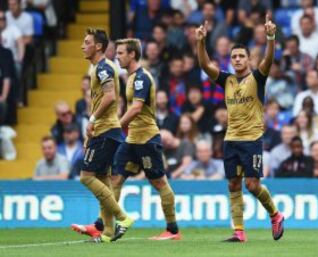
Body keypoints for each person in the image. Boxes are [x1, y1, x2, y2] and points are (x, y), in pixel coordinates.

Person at [196, 15, 284, 242]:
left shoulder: (257, 78)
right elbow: (205, 65)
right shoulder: (227, 81)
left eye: (241, 56)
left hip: (252, 139)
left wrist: (271, 37)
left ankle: (275, 215)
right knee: (233, 184)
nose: (236, 59)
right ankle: (239, 231)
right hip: (231, 139)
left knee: (252, 185)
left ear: (249, 60)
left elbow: (269, 60)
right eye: (233, 56)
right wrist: (201, 42)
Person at [111, 38, 181, 240]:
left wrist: (118, 125)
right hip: (132, 140)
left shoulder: (142, 78)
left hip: (148, 140)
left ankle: (173, 230)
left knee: (159, 183)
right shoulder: (130, 78)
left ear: (132, 54)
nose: (117, 56)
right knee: (115, 179)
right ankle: (106, 226)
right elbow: (127, 108)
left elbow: (136, 108)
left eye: (121, 53)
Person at [75, 28, 132, 243]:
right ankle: (108, 233)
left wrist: (92, 120)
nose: (83, 45)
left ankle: (122, 218)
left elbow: (110, 96)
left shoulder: (103, 67)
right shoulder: (98, 68)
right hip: (105, 130)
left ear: (98, 46)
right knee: (103, 179)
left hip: (107, 130)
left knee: (86, 176)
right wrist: (91, 130)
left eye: (87, 41)